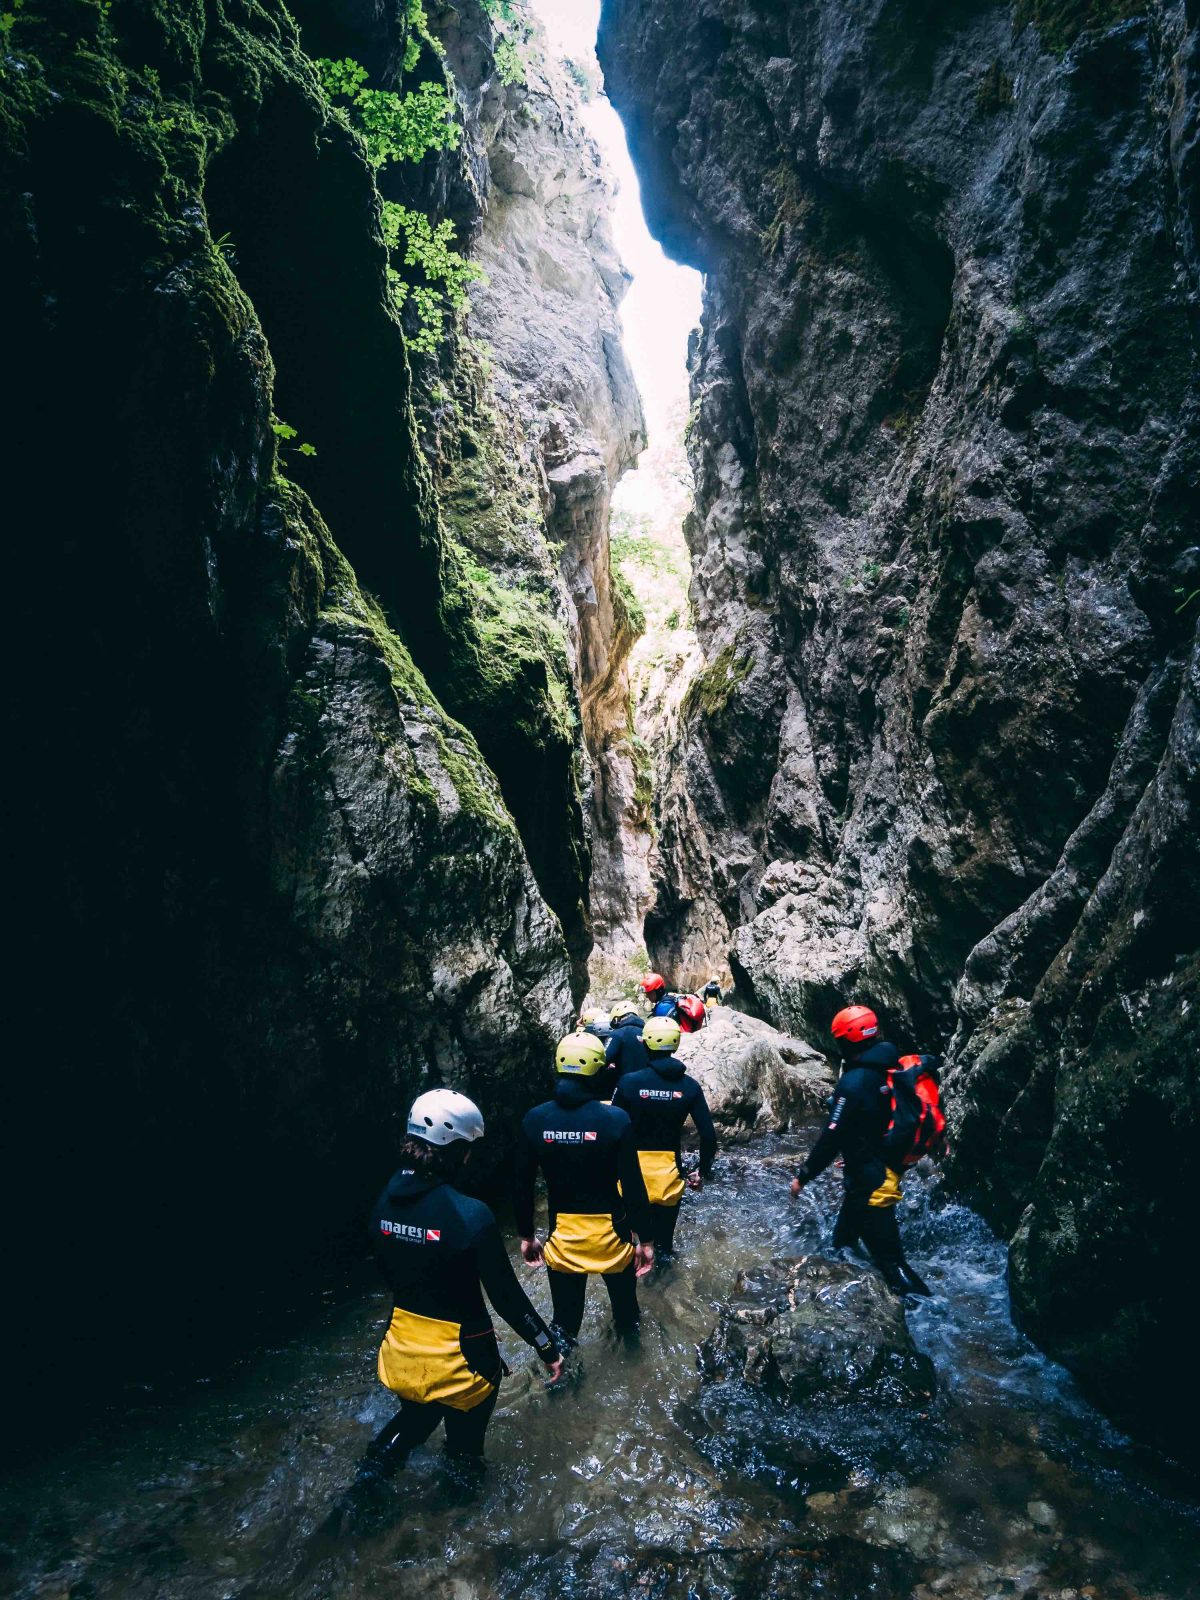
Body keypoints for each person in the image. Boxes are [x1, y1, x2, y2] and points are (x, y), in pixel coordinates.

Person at [358, 1090, 563, 1488]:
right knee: (464, 1456)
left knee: (416, 1419)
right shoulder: (471, 1215)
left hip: (401, 1352)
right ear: (455, 1150)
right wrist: (546, 1346)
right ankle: (456, 1528)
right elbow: (506, 1299)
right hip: (464, 1362)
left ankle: (362, 1493)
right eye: (468, 1148)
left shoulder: (382, 1201)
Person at [516, 1031, 654, 1347]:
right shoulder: (616, 1120)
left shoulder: (535, 1119)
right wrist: (646, 1239)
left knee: (564, 1325)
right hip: (612, 1234)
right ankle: (633, 1371)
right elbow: (633, 1186)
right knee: (627, 1316)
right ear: (598, 1069)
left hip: (563, 1235)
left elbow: (521, 1183)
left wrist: (526, 1235)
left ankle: (561, 1382)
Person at [789, 1006, 932, 1298]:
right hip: (878, 1169)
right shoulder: (891, 1065)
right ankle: (841, 1289)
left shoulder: (854, 1082)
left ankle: (931, 1309)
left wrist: (804, 1176)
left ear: (845, 1042)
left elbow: (832, 1135)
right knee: (841, 1243)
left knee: (891, 1262)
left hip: (872, 1180)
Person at [613, 1016, 717, 1261]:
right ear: (676, 1044)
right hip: (668, 1175)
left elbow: (613, 1126)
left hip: (631, 1175)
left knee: (629, 1244)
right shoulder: (690, 1086)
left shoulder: (628, 1082)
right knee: (663, 1247)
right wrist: (702, 1171)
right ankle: (664, 1288)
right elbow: (709, 1136)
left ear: (645, 1043)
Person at [605, 1001, 650, 1084]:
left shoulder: (618, 1034)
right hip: (648, 1084)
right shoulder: (649, 1033)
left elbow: (604, 1059)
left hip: (626, 1085)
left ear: (616, 1018)